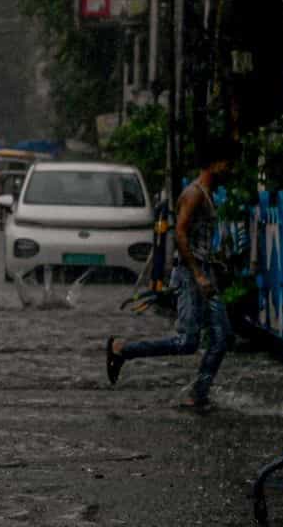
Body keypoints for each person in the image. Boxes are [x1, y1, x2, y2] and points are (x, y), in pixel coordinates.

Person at [105, 139, 240, 411]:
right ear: (213, 163)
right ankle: (122, 349)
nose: (230, 169)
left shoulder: (210, 194)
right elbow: (179, 234)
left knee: (222, 337)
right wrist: (198, 275)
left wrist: (214, 266)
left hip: (205, 273)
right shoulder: (194, 194)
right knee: (186, 342)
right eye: (227, 163)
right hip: (192, 276)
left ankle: (198, 395)